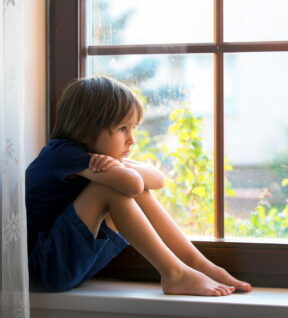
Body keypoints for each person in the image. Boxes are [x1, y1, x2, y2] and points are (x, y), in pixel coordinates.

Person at [26, 76, 252, 296]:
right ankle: (174, 273)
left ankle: (196, 263)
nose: (131, 140)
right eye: (123, 128)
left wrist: (120, 165)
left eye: (133, 128)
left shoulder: (96, 158)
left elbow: (158, 180)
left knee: (129, 186)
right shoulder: (63, 154)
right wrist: (121, 167)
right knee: (110, 188)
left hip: (65, 265)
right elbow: (133, 184)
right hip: (42, 268)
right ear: (86, 130)